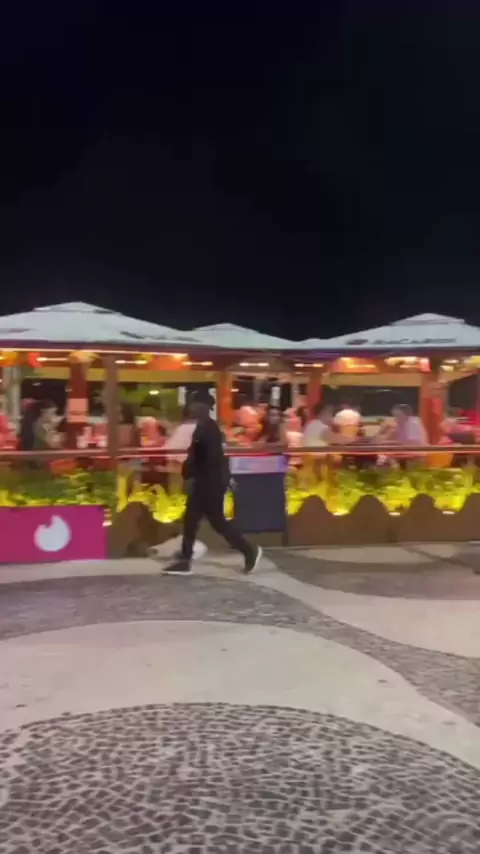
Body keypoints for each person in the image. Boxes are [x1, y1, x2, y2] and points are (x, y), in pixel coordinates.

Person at [163, 400, 262, 576]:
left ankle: (248, 550)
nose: (191, 411)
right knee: (191, 520)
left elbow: (205, 458)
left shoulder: (207, 430)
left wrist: (189, 469)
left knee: (216, 523)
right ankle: (185, 559)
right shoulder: (207, 428)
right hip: (206, 482)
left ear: (203, 410)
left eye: (194, 408)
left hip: (209, 484)